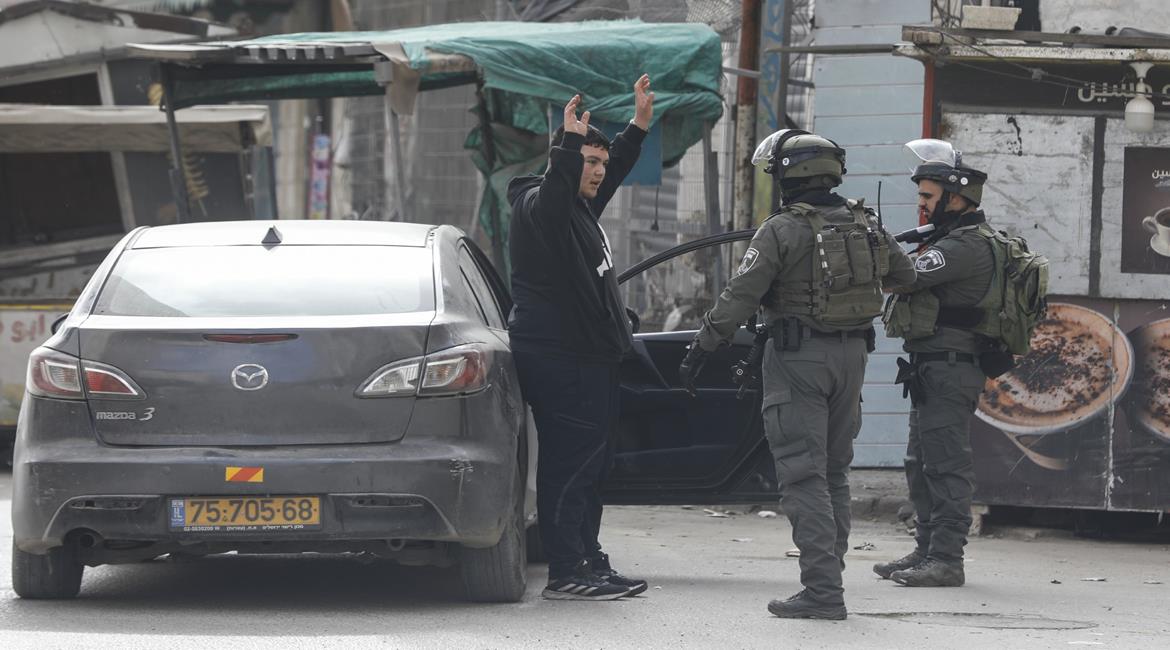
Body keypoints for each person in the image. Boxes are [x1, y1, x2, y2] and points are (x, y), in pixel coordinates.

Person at [679, 129, 915, 619]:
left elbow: (739, 296)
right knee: (833, 472)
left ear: (789, 175)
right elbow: (904, 276)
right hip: (854, 357)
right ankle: (830, 576)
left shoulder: (781, 230)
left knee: (803, 474)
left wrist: (702, 347)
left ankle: (823, 592)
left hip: (799, 359)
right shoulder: (865, 221)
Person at [506, 75, 654, 600]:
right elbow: (553, 195)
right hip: (561, 359)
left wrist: (637, 128)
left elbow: (606, 175)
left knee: (592, 467)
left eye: (600, 163)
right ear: (562, 164)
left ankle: (587, 559)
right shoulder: (537, 208)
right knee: (570, 466)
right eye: (588, 162)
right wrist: (568, 145)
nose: (597, 171)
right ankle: (566, 570)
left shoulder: (578, 208)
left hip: (590, 360)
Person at [874, 139, 997, 588]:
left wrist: (875, 242)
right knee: (920, 460)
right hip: (932, 366)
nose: (921, 204)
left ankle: (946, 559)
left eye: (928, 196)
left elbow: (901, 278)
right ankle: (926, 549)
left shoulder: (963, 246)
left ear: (957, 198)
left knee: (945, 463)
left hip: (951, 367)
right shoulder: (947, 239)